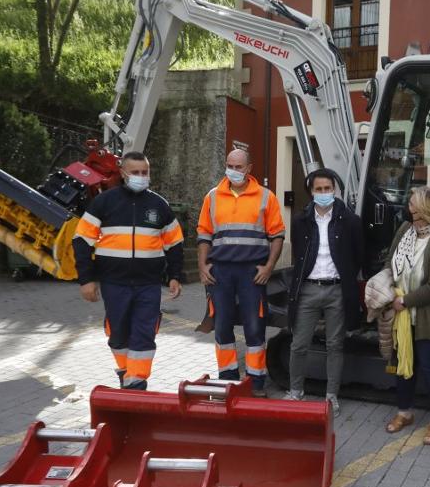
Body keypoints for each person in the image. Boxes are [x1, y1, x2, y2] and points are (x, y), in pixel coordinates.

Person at [73, 151, 184, 390]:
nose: (141, 177)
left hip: (149, 284)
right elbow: (82, 240)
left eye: (145, 172)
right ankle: (126, 373)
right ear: (123, 173)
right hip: (114, 282)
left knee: (144, 333)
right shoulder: (104, 202)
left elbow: (174, 243)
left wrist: (174, 276)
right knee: (118, 334)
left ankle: (136, 383)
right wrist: (86, 279)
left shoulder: (159, 205)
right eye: (135, 173)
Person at [196, 148, 285, 396]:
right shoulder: (212, 197)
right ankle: (227, 380)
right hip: (220, 272)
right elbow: (204, 234)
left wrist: (269, 267)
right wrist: (202, 266)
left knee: (254, 326)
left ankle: (256, 382)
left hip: (252, 272)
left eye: (238, 167)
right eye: (229, 165)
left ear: (249, 168)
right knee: (222, 325)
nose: (233, 171)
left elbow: (277, 235)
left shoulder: (266, 197)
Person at [384, 186, 430, 445]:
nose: (410, 208)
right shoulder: (405, 230)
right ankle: (404, 413)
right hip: (403, 316)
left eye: (414, 205)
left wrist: (404, 300)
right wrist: (385, 287)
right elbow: (390, 262)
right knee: (404, 367)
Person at [286, 168, 363, 414]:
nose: (323, 193)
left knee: (335, 345)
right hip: (308, 289)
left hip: (337, 290)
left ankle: (331, 397)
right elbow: (299, 252)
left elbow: (358, 255)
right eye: (318, 189)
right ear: (311, 192)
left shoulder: (350, 220)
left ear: (334, 189)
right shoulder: (300, 220)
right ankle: (295, 392)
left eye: (327, 189)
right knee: (299, 344)